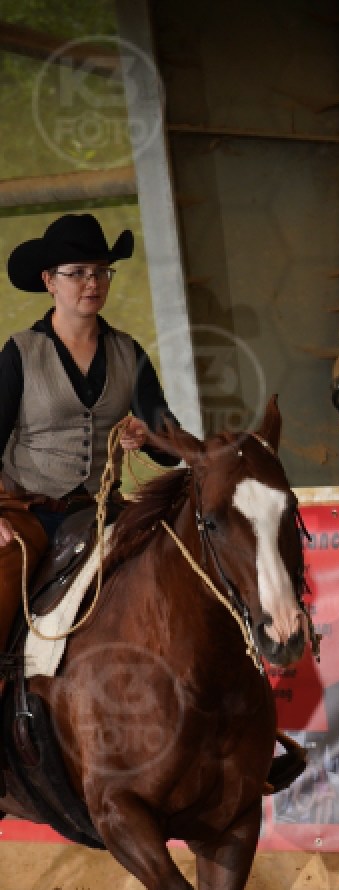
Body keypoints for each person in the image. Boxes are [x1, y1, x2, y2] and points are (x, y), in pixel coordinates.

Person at [0, 213, 184, 642]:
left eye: (101, 272)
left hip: (102, 515)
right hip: (29, 514)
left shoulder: (128, 351)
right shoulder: (19, 352)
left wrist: (148, 437)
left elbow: (170, 444)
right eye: (78, 273)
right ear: (49, 280)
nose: (92, 283)